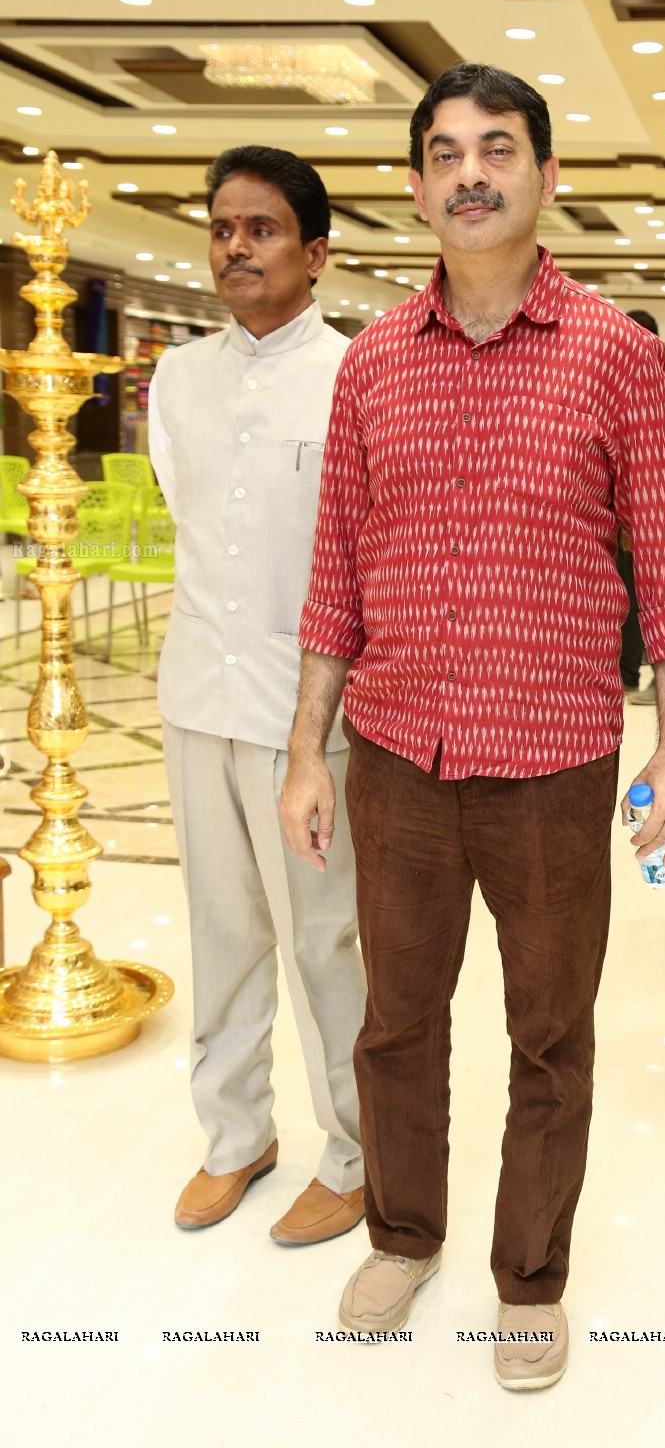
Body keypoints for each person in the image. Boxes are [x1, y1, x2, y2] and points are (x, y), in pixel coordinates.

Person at [279, 63, 665, 1389]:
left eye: (499, 148)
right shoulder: (367, 366)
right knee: (395, 1021)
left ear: (546, 176)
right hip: (399, 759)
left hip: (555, 766)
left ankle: (530, 1273)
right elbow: (334, 573)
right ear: (416, 186)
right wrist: (309, 746)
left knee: (550, 1032)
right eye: (446, 153)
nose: (471, 172)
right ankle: (404, 1233)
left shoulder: (618, 356)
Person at [150, 145, 366, 1244]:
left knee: (327, 937)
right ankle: (236, 1137)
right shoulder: (177, 376)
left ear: (315, 252)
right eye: (224, 227)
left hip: (308, 719)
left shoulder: (358, 375)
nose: (237, 246)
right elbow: (182, 507)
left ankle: (359, 1149)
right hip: (197, 692)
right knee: (221, 930)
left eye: (264, 228)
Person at [620, 309, 665, 703]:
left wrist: (632, 519)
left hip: (648, 507)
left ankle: (637, 674)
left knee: (645, 593)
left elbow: (648, 453)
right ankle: (635, 671)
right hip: (643, 507)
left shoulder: (654, 374)